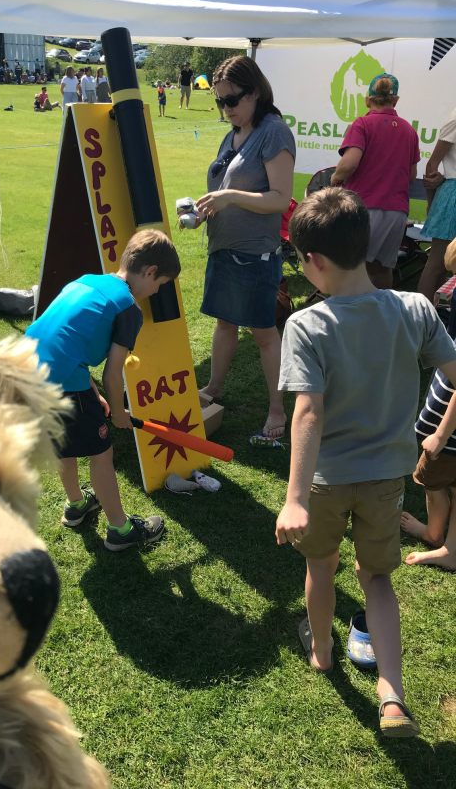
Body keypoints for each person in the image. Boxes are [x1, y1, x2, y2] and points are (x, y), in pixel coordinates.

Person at [275, 187, 456, 737]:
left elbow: (307, 411)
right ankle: (393, 694)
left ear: (315, 261)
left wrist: (295, 498)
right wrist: (437, 426)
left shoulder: (306, 326)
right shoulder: (416, 307)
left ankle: (324, 652)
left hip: (327, 481)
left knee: (321, 565)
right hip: (385, 480)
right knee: (378, 578)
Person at [25, 230, 181, 551]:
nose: (155, 291)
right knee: (101, 454)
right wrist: (120, 412)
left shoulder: (87, 281)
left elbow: (67, 343)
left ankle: (77, 505)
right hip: (62, 381)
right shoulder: (129, 309)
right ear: (150, 272)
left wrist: (92, 394)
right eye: (160, 284)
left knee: (62, 447)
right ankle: (121, 531)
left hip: (26, 369)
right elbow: (113, 374)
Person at [193, 55, 295, 441]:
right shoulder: (234, 131)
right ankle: (214, 388)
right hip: (224, 248)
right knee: (224, 323)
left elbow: (280, 198)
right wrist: (208, 208)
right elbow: (226, 188)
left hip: (255, 254)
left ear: (255, 93)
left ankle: (276, 412)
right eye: (220, 101)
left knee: (265, 334)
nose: (226, 109)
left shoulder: (274, 132)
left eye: (232, 100)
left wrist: (231, 197)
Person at [331, 73, 419, 290]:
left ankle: (350, 318)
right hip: (396, 211)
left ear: (367, 99)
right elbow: (411, 175)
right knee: (382, 269)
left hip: (364, 208)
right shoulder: (409, 130)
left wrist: (336, 178)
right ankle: (380, 317)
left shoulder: (362, 124)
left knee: (352, 267)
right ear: (395, 100)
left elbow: (349, 163)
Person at [400, 236, 456, 570]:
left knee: (432, 481)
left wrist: (441, 433)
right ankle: (451, 548)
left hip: (446, 428)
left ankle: (434, 533)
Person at [417, 107, 456, 301]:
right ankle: (420, 321)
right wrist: (432, 204)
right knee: (439, 263)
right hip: (452, 195)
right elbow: (432, 166)